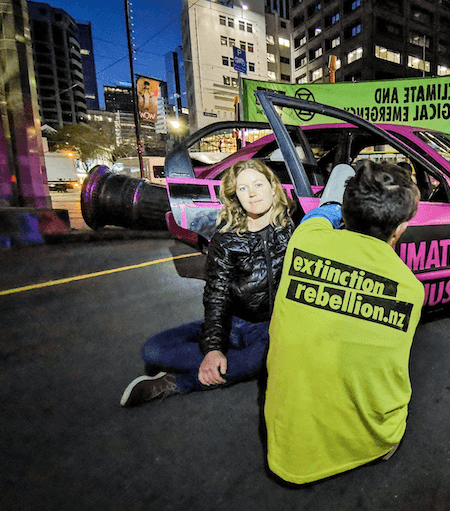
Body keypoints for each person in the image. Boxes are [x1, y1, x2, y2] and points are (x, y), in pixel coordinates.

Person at [264, 160, 423, 485]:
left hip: (287, 452)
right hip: (373, 441)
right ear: (401, 228)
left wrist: (339, 198)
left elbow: (322, 213)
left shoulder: (305, 240)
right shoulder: (410, 289)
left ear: (345, 214)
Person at [120, 159, 294, 406]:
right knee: (153, 349)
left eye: (258, 184)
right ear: (236, 197)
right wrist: (213, 348)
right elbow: (217, 295)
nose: (252, 193)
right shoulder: (225, 240)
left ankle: (175, 383)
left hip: (270, 330)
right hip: (233, 323)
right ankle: (222, 362)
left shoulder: (293, 231)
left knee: (254, 362)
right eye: (243, 188)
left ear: (273, 188)